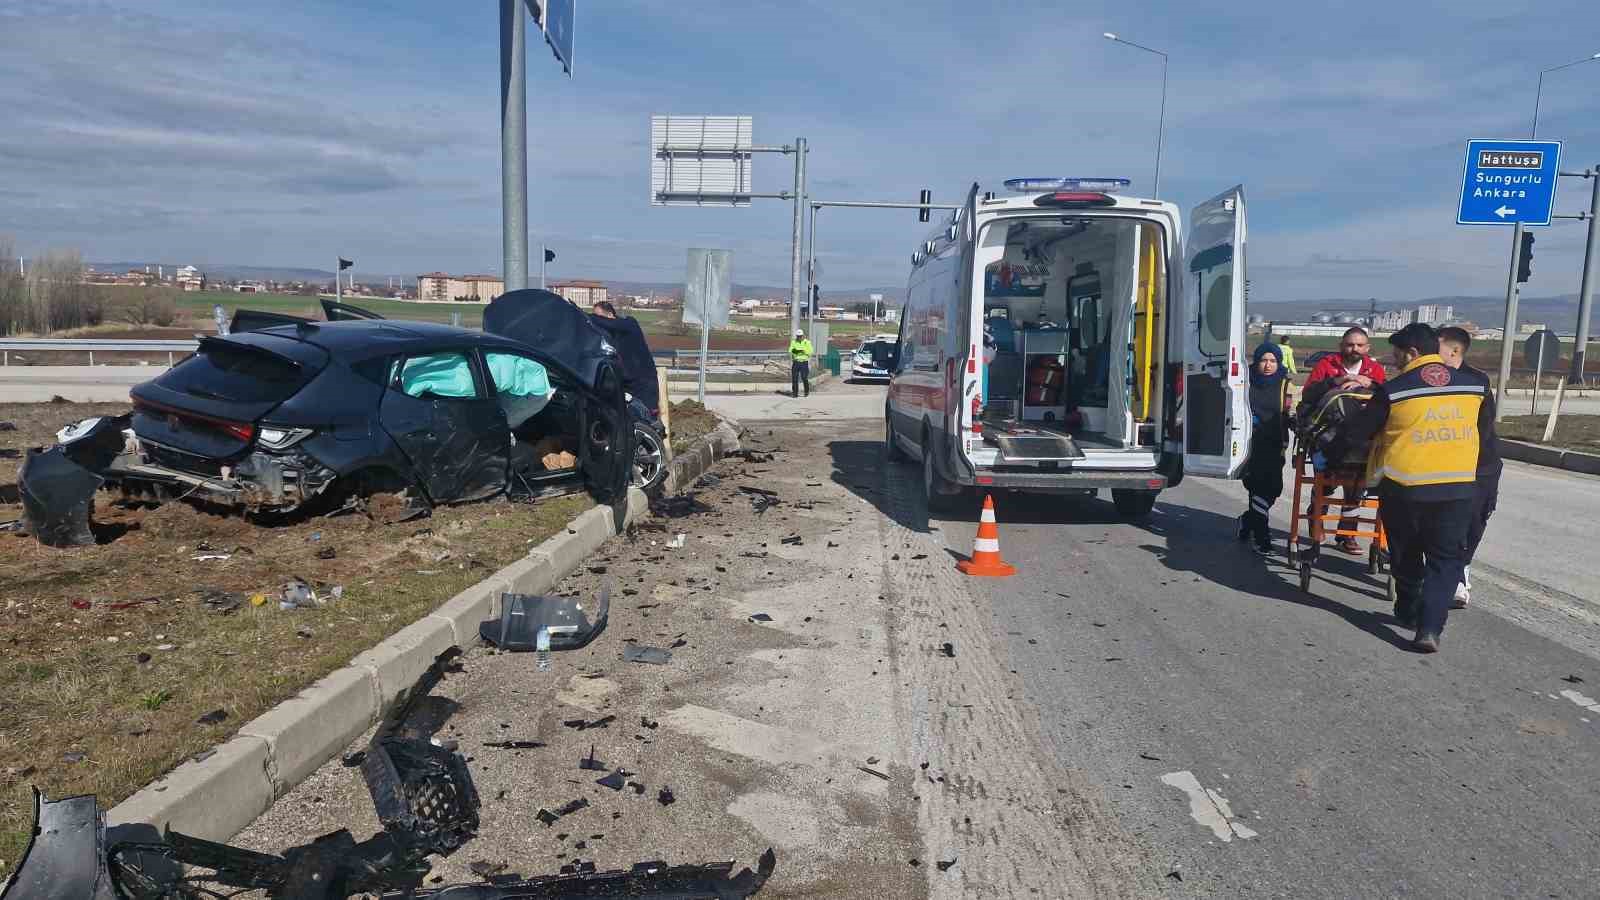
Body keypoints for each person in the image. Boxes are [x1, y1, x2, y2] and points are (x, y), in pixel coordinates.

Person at [1331, 323, 1490, 653]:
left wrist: (1334, 451)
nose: (1394, 359)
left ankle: (1406, 609)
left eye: (1397, 353)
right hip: (1457, 488)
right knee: (1445, 561)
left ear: (1413, 353)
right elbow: (1485, 434)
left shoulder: (1395, 390)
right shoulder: (1475, 386)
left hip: (1405, 488)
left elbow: (1358, 432)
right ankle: (1429, 628)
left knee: (1405, 553)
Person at [1301, 326, 1387, 554]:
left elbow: (1387, 398)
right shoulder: (1326, 365)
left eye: (1360, 345)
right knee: (1328, 482)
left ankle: (1347, 534)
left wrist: (1370, 384)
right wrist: (1337, 381)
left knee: (1356, 485)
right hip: (1329, 434)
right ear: (1342, 346)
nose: (1354, 349)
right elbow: (1308, 394)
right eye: (1350, 344)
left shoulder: (1375, 369)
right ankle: (1316, 517)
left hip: (1363, 435)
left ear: (1367, 348)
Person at [1438, 326, 1501, 608]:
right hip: (1438, 465)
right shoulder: (1425, 379)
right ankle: (1449, 574)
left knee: (1473, 522)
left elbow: (1483, 427)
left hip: (1479, 465)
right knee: (1442, 523)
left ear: (1454, 350)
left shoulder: (1477, 382)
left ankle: (1461, 568)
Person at [1238, 342, 1291, 554]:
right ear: (1256, 361)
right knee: (1258, 487)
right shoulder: (1245, 381)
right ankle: (1262, 536)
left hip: (1276, 444)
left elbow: (1291, 410)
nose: (1268, 365)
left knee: (1274, 489)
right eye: (1263, 360)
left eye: (1272, 361)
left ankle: (1247, 520)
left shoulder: (1285, 384)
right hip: (1251, 444)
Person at [589, 300, 660, 417]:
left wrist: (586, 316)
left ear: (610, 315)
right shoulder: (608, 337)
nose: (599, 322)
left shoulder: (629, 324)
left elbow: (607, 323)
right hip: (627, 385)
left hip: (644, 386)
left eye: (600, 317)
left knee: (646, 419)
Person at [789, 329, 813, 398]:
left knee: (804, 377)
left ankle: (806, 391)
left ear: (803, 336)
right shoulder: (794, 342)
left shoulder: (807, 342)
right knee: (794, 378)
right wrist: (802, 351)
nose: (799, 337)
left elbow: (810, 351)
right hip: (796, 362)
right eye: (798, 336)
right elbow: (791, 350)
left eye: (800, 336)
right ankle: (795, 393)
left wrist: (798, 351)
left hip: (804, 363)